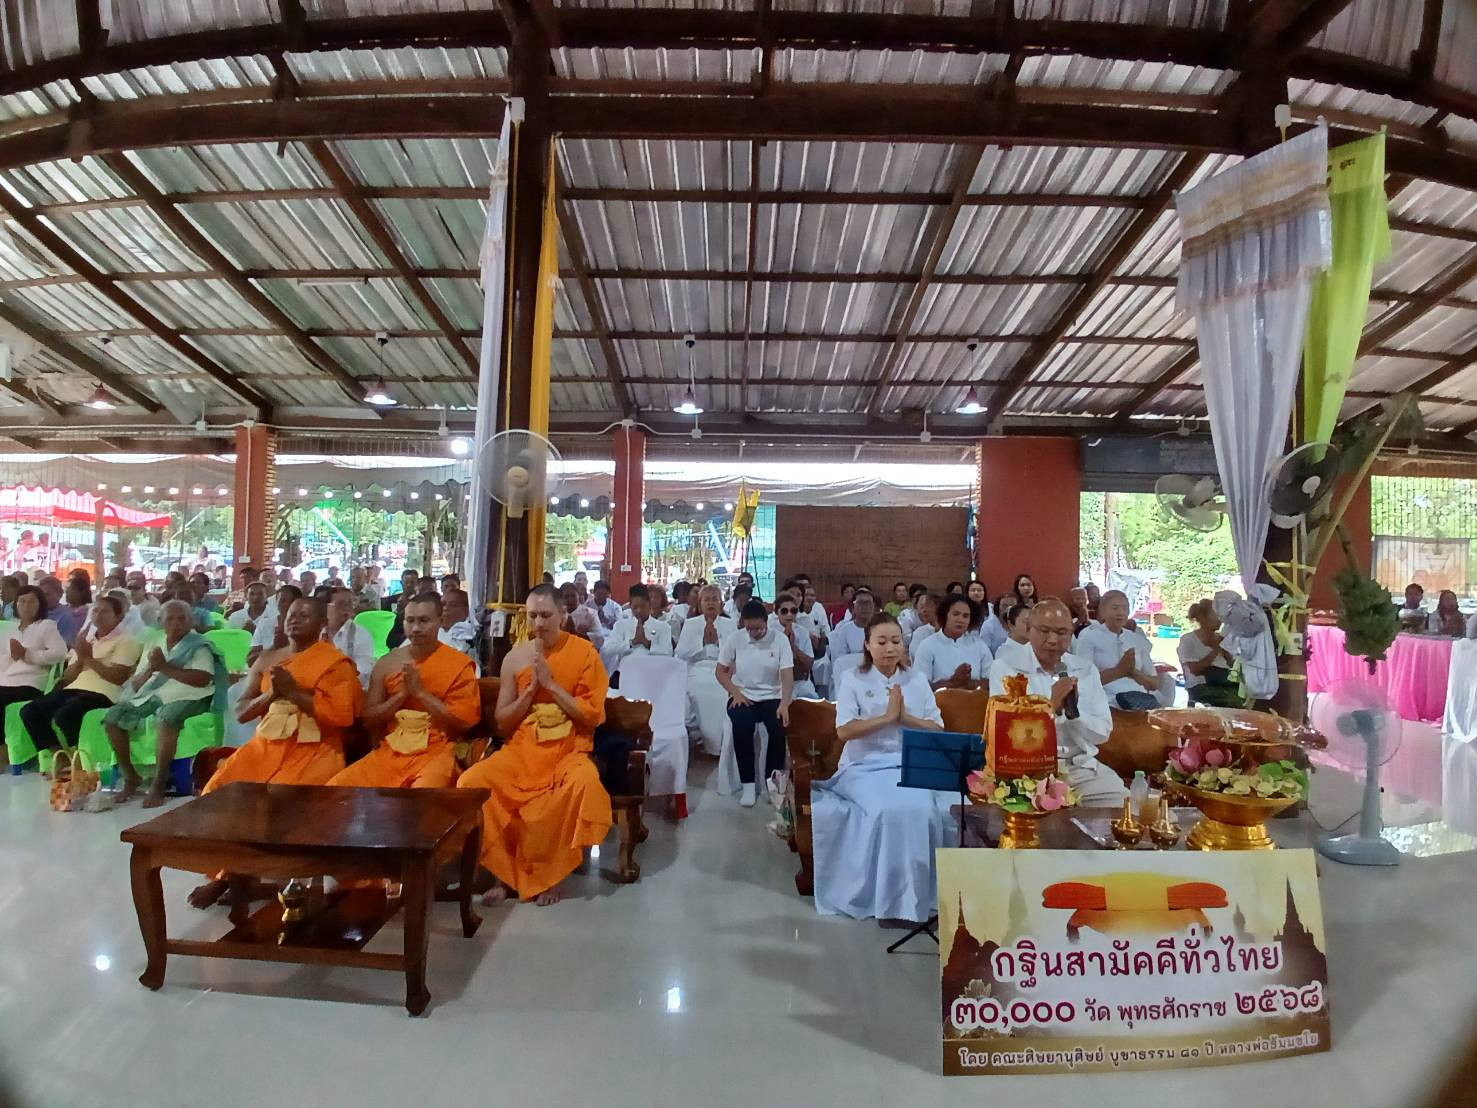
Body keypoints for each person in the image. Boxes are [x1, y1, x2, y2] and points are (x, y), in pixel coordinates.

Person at [459, 583, 611, 907]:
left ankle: (551, 875)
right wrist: (529, 693)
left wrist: (552, 686)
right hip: (524, 748)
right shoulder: (515, 658)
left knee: (584, 783)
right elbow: (502, 721)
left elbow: (593, 715)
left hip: (568, 747)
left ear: (563, 614)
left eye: (546, 615)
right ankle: (503, 877)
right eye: (533, 616)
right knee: (472, 782)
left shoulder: (584, 654)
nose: (539, 623)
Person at [812, 610, 949, 922]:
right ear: (868, 645)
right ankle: (884, 899)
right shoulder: (853, 679)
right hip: (864, 766)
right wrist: (886, 718)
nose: (890, 648)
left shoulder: (916, 680)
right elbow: (844, 731)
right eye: (882, 641)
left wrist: (905, 718)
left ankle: (919, 899)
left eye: (896, 641)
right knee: (887, 810)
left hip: (910, 765)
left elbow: (938, 729)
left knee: (923, 811)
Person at [196, 597, 363, 819]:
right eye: (291, 615)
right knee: (218, 791)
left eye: (304, 616)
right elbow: (241, 712)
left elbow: (342, 717)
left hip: (315, 749)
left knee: (283, 806)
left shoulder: (335, 662)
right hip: (265, 745)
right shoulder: (267, 659)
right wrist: (271, 694)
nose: (294, 620)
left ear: (322, 622)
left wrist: (294, 693)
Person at [328, 593, 480, 790]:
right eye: (410, 621)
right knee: (336, 788)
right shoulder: (387, 663)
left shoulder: (458, 664)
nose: (416, 628)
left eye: (424, 621)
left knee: (419, 800)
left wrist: (420, 693)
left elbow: (464, 721)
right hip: (391, 751)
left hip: (436, 753)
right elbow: (367, 718)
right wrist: (399, 697)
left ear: (440, 621)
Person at [988, 597, 1125, 805]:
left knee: (1124, 805)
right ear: (1029, 629)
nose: (1053, 640)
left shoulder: (1085, 670)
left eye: (1062, 633)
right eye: (1044, 631)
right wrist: (1049, 708)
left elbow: (1102, 733)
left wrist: (1073, 714)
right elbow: (1003, 735)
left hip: (1080, 769)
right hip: (1027, 771)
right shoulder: (1006, 668)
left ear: (1071, 635)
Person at [104, 598, 226, 807]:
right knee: (112, 718)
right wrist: (152, 669)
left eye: (182, 619)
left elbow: (203, 679)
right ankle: (131, 776)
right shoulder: (155, 643)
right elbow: (138, 680)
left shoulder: (199, 644)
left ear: (191, 621)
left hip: (191, 695)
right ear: (161, 621)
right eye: (170, 618)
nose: (176, 623)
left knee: (166, 717)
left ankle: (159, 783)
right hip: (155, 693)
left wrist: (165, 667)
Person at [20, 594, 142, 755]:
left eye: (104, 612)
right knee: (30, 710)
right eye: (95, 611)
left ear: (119, 616)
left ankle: (79, 757)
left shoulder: (127, 640)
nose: (98, 615)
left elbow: (119, 678)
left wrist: (88, 659)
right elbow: (68, 677)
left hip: (105, 693)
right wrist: (80, 661)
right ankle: (59, 754)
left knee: (66, 715)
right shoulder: (87, 639)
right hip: (75, 688)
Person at [717, 600, 794, 807]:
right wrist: (735, 692)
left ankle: (772, 784)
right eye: (749, 628)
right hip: (744, 695)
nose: (754, 633)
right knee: (742, 728)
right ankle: (748, 785)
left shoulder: (780, 640)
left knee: (778, 730)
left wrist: (785, 703)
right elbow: (720, 672)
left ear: (767, 622)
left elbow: (787, 675)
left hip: (772, 696)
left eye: (758, 628)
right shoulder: (735, 639)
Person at [1075, 589, 1165, 710]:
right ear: (1103, 611)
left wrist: (1133, 672)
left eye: (1125, 608)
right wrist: (1118, 671)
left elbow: (1154, 684)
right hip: (1105, 702)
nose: (1120, 613)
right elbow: (1082, 680)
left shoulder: (1136, 639)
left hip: (1138, 701)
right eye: (1115, 608)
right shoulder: (1089, 637)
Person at [0, 585, 68, 715]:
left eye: (32, 601)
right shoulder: (12, 629)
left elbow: (60, 653)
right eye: (22, 601)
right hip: (7, 679)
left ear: (40, 605)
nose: (26, 606)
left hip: (30, 682)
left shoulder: (46, 626)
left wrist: (27, 654)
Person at [914, 593, 992, 689]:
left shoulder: (980, 646)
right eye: (955, 614)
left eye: (965, 616)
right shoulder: (927, 645)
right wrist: (953, 683)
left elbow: (991, 681)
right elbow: (920, 686)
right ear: (944, 615)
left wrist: (970, 684)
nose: (960, 620)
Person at [1178, 599, 1242, 707]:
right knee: (1233, 701)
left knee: (1248, 695)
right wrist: (1216, 649)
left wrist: (1224, 647)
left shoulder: (1222, 638)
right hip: (1201, 686)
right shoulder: (1188, 640)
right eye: (1216, 615)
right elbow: (1194, 669)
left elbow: (1232, 664)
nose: (1220, 620)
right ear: (1203, 618)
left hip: (1224, 683)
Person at [604, 584, 674, 674]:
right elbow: (608, 650)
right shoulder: (621, 625)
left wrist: (648, 644)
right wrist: (632, 642)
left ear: (649, 605)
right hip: (627, 671)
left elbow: (668, 652)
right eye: (635, 607)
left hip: (653, 672)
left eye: (643, 606)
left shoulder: (663, 627)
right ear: (630, 606)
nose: (639, 611)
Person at [325, 586, 376, 688]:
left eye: (350, 604)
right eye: (341, 604)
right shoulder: (316, 631)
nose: (347, 608)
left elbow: (363, 672)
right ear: (326, 606)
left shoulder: (361, 634)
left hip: (348, 689)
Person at [674, 584, 736, 663]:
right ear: (700, 606)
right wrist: (702, 643)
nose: (710, 603)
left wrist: (717, 643)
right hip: (696, 669)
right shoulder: (690, 624)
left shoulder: (730, 624)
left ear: (721, 605)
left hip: (723, 669)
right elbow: (680, 653)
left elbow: (736, 653)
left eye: (715, 599)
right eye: (706, 600)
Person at [773, 590, 817, 698]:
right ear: (776, 612)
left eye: (793, 611)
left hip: (802, 684)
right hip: (777, 684)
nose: (789, 614)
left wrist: (793, 648)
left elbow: (809, 664)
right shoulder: (770, 632)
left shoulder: (802, 631)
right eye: (784, 611)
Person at [249, 584, 302, 666]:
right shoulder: (265, 624)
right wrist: (274, 647)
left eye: (292, 601)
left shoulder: (304, 626)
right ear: (276, 601)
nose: (286, 605)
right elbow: (251, 660)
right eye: (283, 600)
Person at [829, 587, 877, 664]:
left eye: (868, 603)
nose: (864, 607)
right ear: (853, 607)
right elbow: (839, 659)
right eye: (860, 603)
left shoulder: (881, 628)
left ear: (873, 606)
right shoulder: (844, 630)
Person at [995, 603, 1034, 669]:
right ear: (1011, 624)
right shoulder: (1003, 652)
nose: (1030, 626)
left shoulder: (1037, 649)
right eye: (1026, 622)